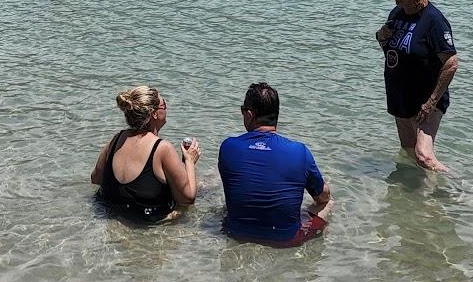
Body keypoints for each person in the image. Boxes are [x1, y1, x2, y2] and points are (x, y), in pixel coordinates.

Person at [218, 82, 333, 246]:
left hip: (235, 233)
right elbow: (323, 197)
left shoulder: (228, 147)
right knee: (328, 202)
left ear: (249, 115)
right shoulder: (299, 151)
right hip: (286, 239)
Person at [376, 0, 459, 172]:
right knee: (409, 153)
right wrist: (380, 37)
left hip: (426, 100)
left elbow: (451, 63)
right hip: (400, 95)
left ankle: (457, 190)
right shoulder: (397, 14)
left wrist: (431, 102)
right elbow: (391, 51)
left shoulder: (433, 20)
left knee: (424, 156)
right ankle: (422, 198)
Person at [90, 85, 200, 222]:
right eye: (164, 105)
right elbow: (188, 199)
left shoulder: (117, 139)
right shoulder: (162, 148)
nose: (166, 109)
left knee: (202, 185)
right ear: (154, 114)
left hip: (111, 214)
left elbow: (96, 178)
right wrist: (189, 161)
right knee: (203, 189)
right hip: (148, 225)